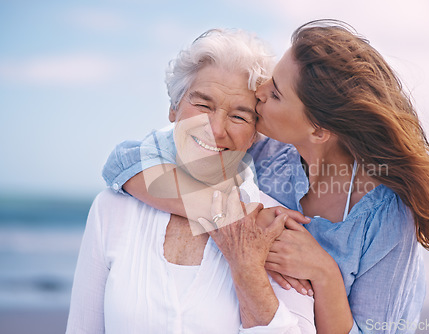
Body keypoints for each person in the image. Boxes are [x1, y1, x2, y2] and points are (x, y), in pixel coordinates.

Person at [102, 20, 429, 334]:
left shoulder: (387, 216)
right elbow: (126, 160)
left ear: (318, 130)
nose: (260, 91)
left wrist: (324, 273)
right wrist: (225, 217)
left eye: (277, 93)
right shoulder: (268, 152)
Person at [66, 28, 316, 333]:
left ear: (255, 135)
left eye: (239, 116)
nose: (214, 128)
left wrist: (247, 268)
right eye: (202, 104)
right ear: (173, 108)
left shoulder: (271, 224)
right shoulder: (112, 208)